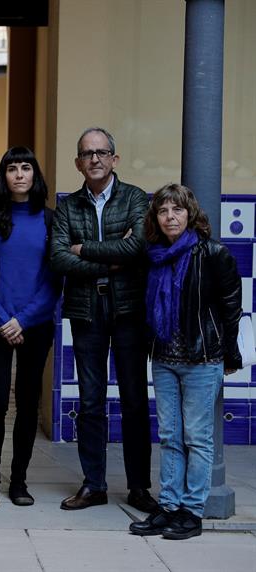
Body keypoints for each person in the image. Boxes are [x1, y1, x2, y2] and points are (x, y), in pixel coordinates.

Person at [50, 127, 157, 512]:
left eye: (101, 152)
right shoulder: (67, 207)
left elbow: (138, 246)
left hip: (129, 310)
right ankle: (93, 485)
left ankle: (139, 488)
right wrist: (113, 258)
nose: (94, 158)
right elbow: (59, 257)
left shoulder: (135, 199)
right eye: (86, 153)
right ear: (78, 162)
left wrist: (86, 250)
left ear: (114, 158)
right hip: (85, 312)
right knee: (91, 402)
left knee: (133, 400)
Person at [129, 183, 241, 540]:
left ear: (190, 213)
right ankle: (169, 506)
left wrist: (230, 354)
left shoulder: (212, 253)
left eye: (177, 209)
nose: (170, 216)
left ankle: (192, 512)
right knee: (170, 436)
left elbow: (231, 308)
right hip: (163, 358)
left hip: (202, 359)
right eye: (163, 210)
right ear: (156, 217)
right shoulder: (154, 255)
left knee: (197, 437)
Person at [0, 148, 60, 508]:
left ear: (35, 174)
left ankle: (19, 481)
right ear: (4, 175)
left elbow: (55, 279)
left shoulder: (52, 219)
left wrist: (23, 320)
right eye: (12, 168)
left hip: (36, 324)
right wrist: (3, 318)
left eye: (26, 168)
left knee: (27, 404)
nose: (20, 174)